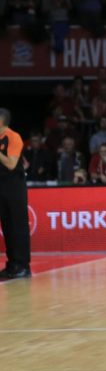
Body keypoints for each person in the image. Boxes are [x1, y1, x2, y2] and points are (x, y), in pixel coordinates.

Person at [0, 109, 32, 279]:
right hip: (1, 186)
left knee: (17, 226)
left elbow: (11, 164)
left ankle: (23, 266)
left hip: (14, 187)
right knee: (7, 226)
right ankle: (12, 264)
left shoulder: (13, 137)